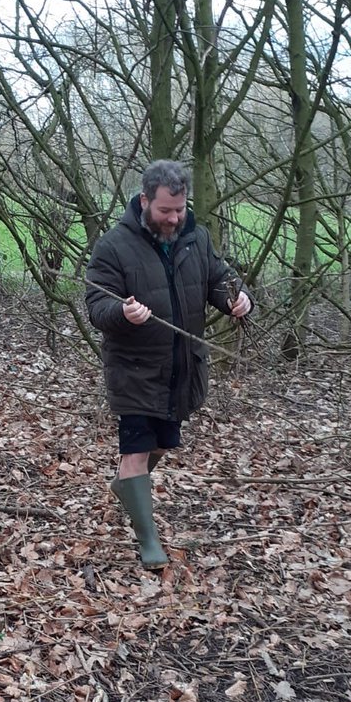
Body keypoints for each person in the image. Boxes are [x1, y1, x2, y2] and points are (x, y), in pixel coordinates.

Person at [85, 159, 253, 570]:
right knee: (137, 450)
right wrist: (122, 313)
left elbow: (218, 279)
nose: (174, 217)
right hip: (134, 367)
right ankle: (149, 544)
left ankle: (127, 485)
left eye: (179, 209)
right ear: (145, 200)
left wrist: (237, 299)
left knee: (163, 443)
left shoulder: (196, 237)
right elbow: (96, 305)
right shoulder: (114, 246)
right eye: (165, 210)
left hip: (181, 367)